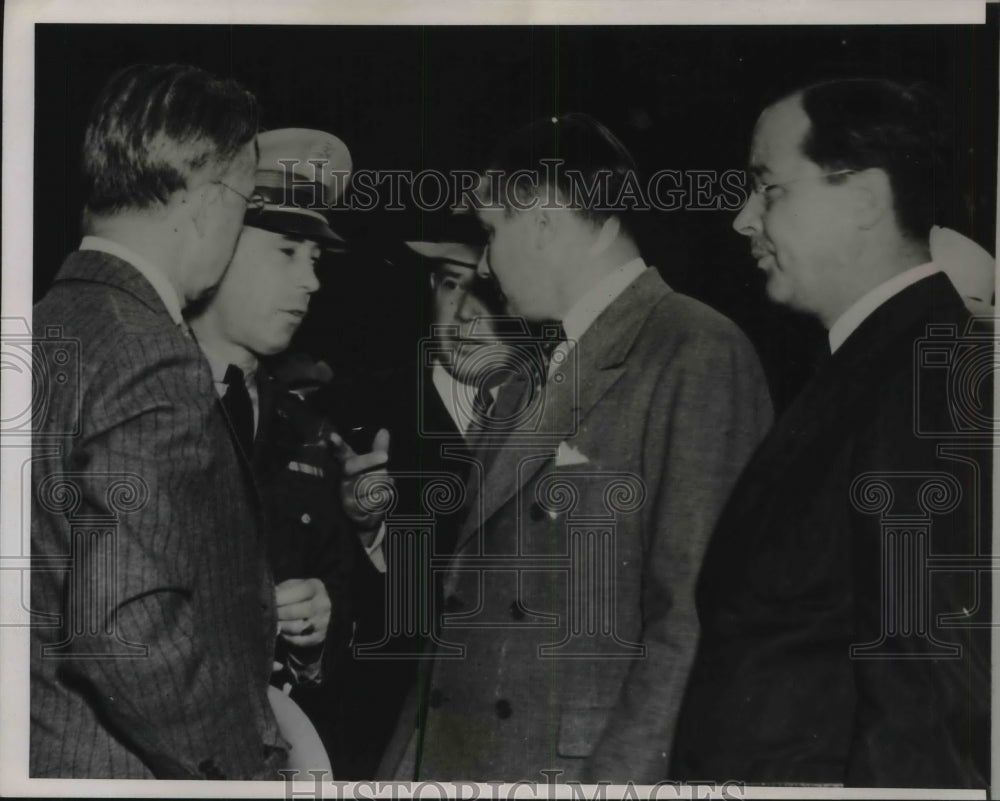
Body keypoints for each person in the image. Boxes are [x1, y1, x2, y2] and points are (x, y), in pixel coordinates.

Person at [381, 113, 774, 783]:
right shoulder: (529, 368)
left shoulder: (695, 349)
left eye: (490, 231)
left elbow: (691, 621)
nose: (482, 263)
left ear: (544, 218)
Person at [671, 78, 992, 788]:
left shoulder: (930, 379)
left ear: (867, 200)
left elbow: (932, 704)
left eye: (769, 188)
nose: (743, 219)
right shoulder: (871, 367)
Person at [30, 63, 284, 778]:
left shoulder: (45, 325)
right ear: (207, 200)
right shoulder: (154, 356)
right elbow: (122, 625)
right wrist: (238, 765)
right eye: (245, 198)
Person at [185, 127, 391, 768]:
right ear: (217, 246)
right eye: (287, 252)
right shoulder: (141, 397)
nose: (311, 282)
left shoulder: (307, 430)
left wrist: (314, 637)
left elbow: (351, 631)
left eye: (317, 260)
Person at [333, 212, 517, 778]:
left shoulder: (559, 418)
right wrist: (366, 531)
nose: (462, 314)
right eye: (448, 283)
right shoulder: (358, 415)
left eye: (485, 289)